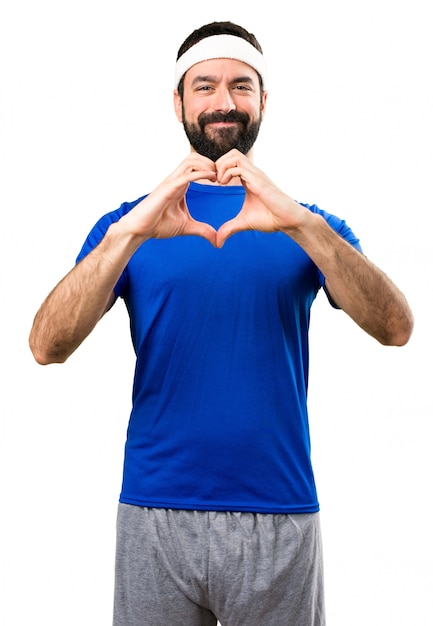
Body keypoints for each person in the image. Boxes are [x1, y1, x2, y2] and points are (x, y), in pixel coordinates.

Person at [29, 20, 414, 626]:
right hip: (154, 512)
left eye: (241, 85)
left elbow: (396, 328)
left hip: (280, 513)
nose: (224, 102)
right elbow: (46, 346)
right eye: (204, 86)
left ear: (264, 101)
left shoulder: (307, 224)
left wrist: (302, 227)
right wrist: (127, 234)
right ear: (178, 102)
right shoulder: (128, 225)